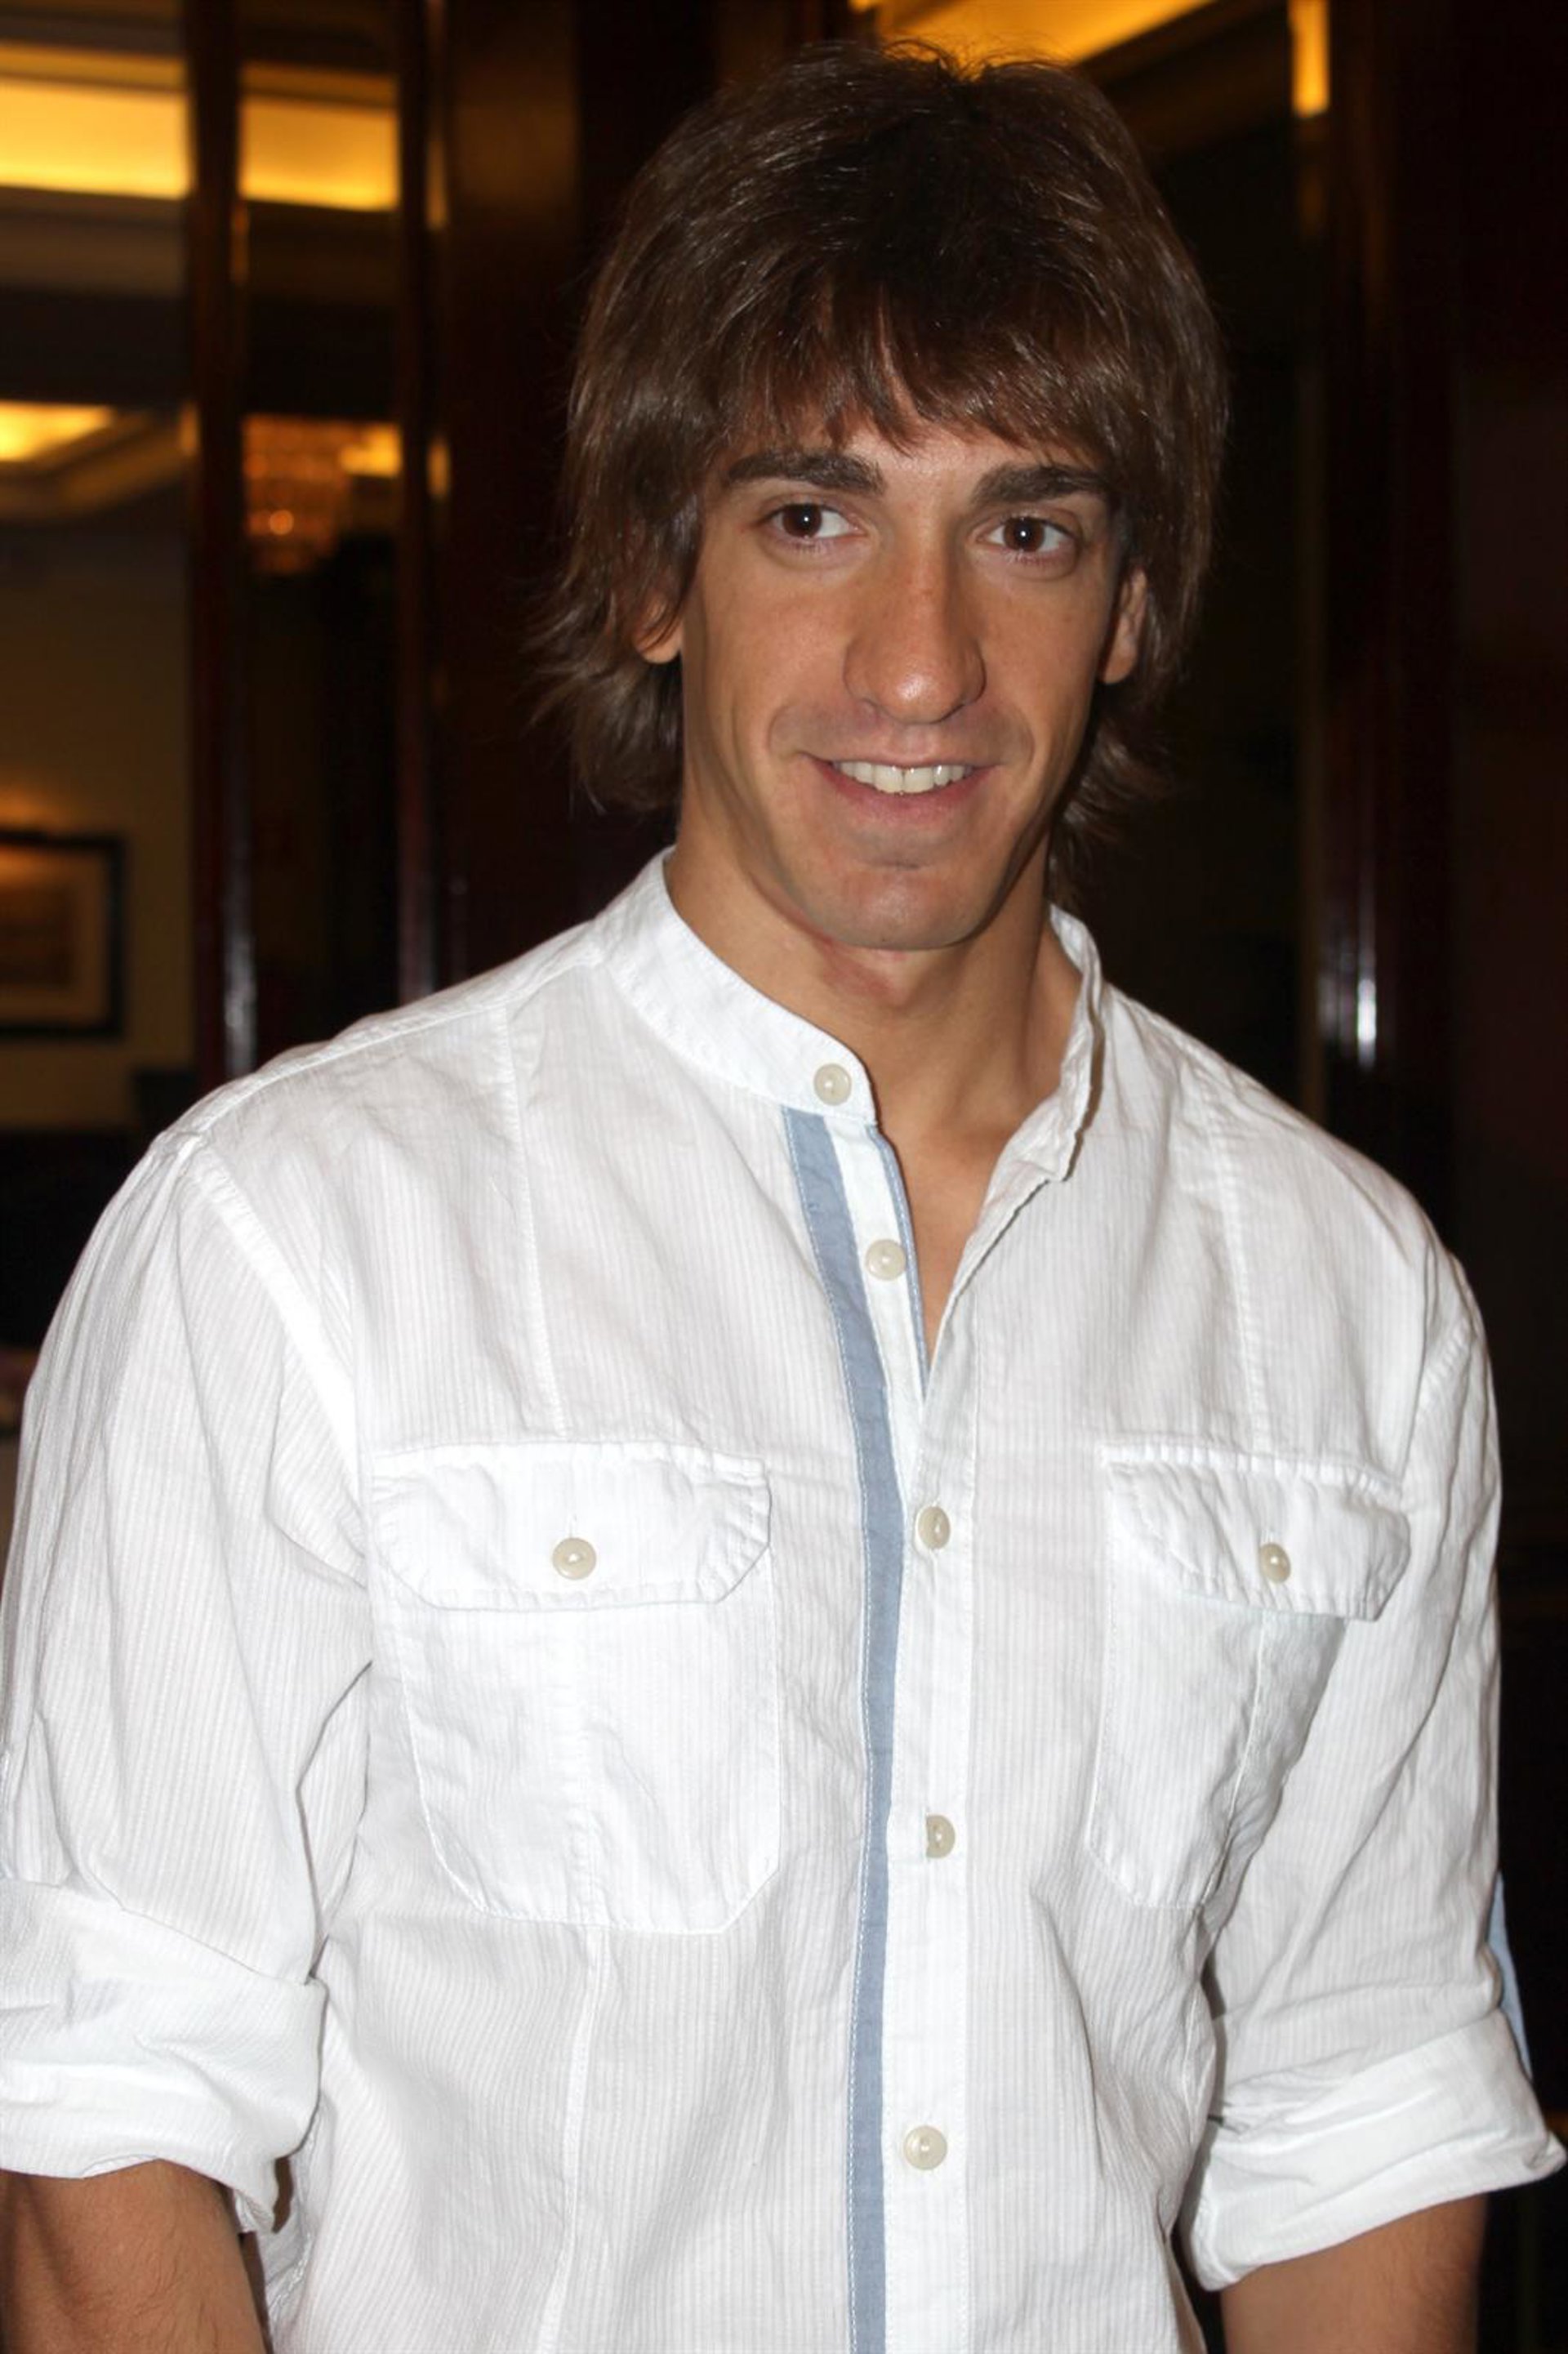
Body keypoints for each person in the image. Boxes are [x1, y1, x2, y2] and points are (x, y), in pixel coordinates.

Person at [0, 42, 1558, 2354]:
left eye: (1027, 530)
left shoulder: (1352, 1299)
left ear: (1133, 602)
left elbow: (1363, 2106)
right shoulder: (290, 1241)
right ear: (656, 570)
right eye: (813, 517)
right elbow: (103, 2108)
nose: (922, 663)